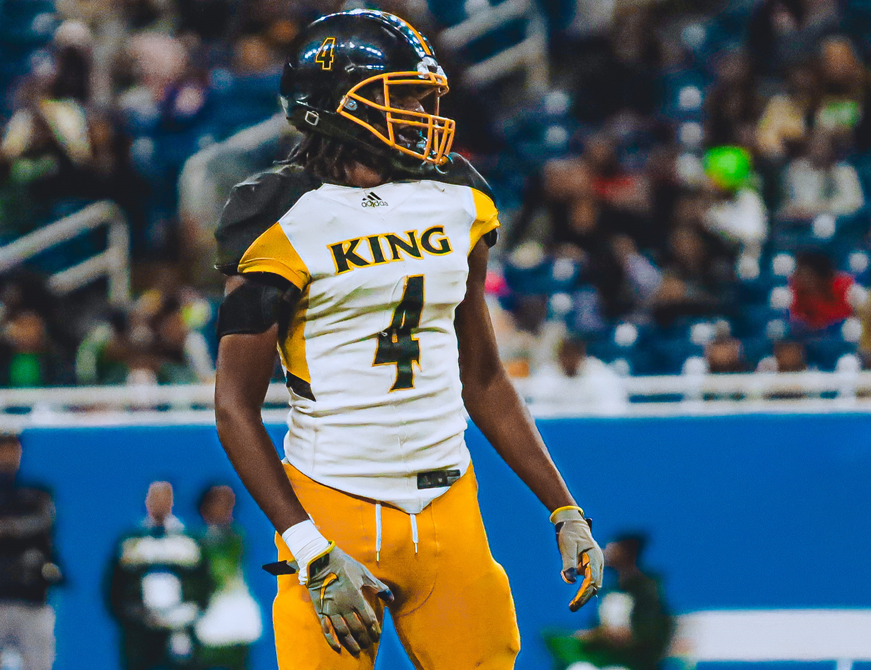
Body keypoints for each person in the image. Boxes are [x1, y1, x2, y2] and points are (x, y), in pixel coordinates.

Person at [212, 10, 604, 670]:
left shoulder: (455, 195)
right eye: (405, 96)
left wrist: (565, 508)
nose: (425, 112)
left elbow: (482, 377)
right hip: (333, 503)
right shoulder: (275, 212)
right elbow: (234, 406)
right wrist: (307, 546)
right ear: (335, 106)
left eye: (426, 96)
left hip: (448, 504)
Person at [0, 431, 61, 670]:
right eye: (2, 449)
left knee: (38, 664)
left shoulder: (37, 492)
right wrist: (16, 529)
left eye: (13, 449)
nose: (8, 455)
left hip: (31, 597)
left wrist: (1, 528)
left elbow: (42, 522)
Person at [106, 482, 215, 670]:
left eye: (165, 497)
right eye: (154, 497)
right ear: (147, 501)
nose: (159, 502)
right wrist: (133, 615)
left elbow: (204, 584)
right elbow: (114, 587)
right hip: (140, 633)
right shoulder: (130, 541)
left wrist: (188, 612)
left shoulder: (188, 541)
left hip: (180, 629)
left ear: (172, 501)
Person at [544, 533, 673, 670]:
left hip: (634, 661)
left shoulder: (647, 590)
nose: (605, 552)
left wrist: (617, 637)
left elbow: (650, 632)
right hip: (607, 657)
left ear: (625, 554)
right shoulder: (610, 591)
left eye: (612, 549)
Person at [191, 485, 261, 670]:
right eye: (220, 503)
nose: (226, 509)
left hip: (237, 616)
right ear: (205, 506)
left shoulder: (237, 537)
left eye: (230, 504)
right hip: (206, 617)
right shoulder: (196, 541)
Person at [530, 337, 627, 414]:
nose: (570, 359)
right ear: (559, 356)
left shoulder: (599, 374)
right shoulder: (545, 377)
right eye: (566, 355)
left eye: (574, 354)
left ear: (582, 356)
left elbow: (612, 409)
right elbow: (540, 411)